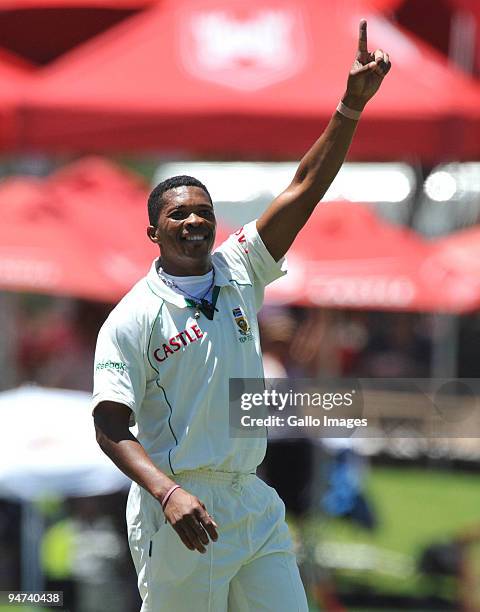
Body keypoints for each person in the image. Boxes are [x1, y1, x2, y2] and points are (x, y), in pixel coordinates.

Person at [92, 20, 391, 612]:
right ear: (153, 230)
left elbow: (304, 186)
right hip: (181, 506)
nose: (194, 221)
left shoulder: (238, 270)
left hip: (252, 498)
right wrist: (167, 492)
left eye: (203, 212)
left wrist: (349, 108)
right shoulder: (133, 315)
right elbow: (109, 425)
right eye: (178, 215)